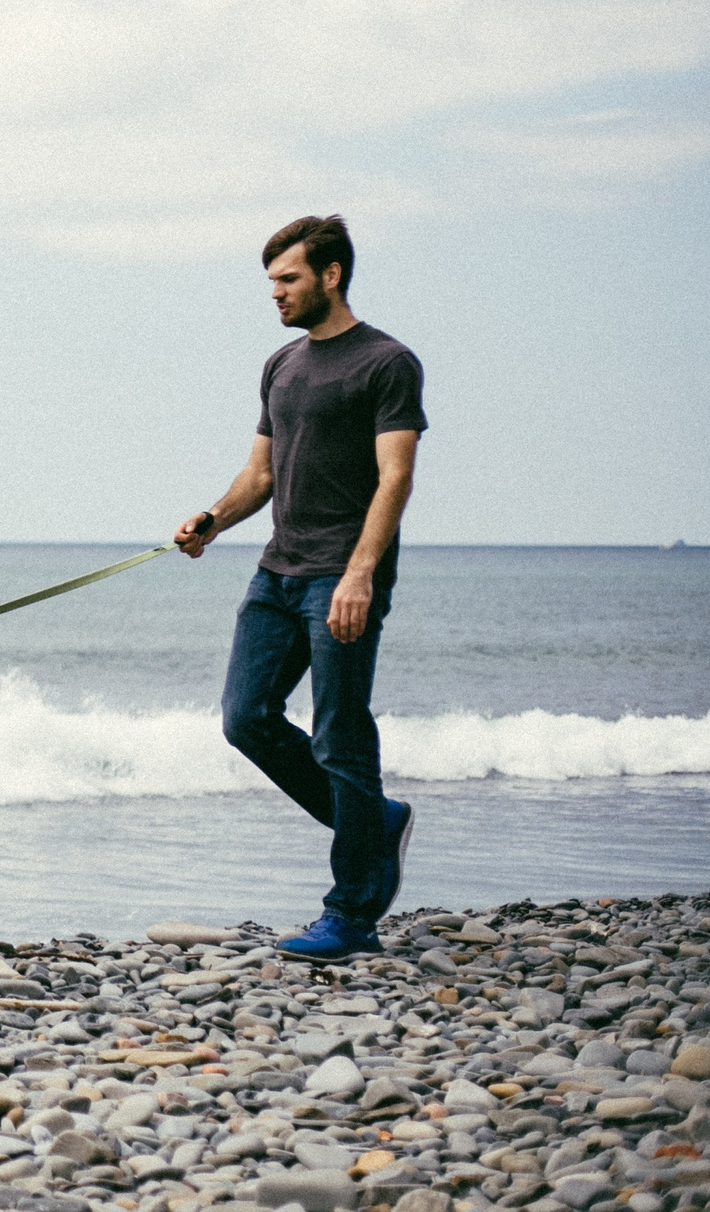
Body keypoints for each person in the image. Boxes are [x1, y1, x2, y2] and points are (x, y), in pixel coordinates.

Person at [174, 215, 425, 963]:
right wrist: (213, 520)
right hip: (277, 571)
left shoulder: (386, 362)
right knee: (245, 717)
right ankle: (375, 824)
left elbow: (397, 476)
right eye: (272, 281)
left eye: (288, 278)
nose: (276, 293)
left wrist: (359, 573)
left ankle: (353, 912)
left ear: (332, 274)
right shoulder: (282, 364)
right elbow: (258, 475)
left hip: (341, 577)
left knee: (339, 736)